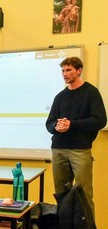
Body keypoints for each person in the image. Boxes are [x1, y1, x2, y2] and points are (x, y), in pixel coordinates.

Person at [46, 57, 107, 217]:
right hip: (58, 149)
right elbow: (49, 123)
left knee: (84, 194)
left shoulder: (91, 92)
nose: (65, 74)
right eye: (63, 71)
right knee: (61, 193)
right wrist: (56, 127)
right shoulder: (60, 96)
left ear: (79, 70)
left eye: (68, 70)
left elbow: (100, 121)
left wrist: (72, 124)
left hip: (80, 150)